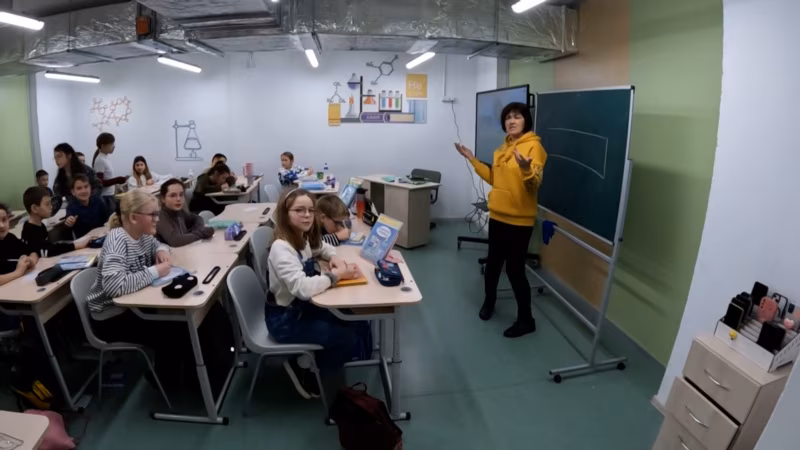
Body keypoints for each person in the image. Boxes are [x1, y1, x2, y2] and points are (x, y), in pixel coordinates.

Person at [454, 102, 547, 338]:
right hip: (498, 215)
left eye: (517, 117)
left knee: (515, 270)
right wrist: (472, 159)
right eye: (507, 118)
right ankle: (489, 302)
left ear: (526, 120)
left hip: (519, 220)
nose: (511, 121)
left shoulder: (534, 147)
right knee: (493, 264)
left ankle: (526, 320)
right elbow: (495, 179)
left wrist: (526, 169)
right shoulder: (501, 150)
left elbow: (534, 184)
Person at [267, 189, 368, 399]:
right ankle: (316, 379)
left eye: (310, 210)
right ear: (285, 214)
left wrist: (335, 258)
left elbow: (320, 247)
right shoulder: (281, 248)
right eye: (299, 210)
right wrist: (335, 276)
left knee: (350, 319)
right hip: (284, 321)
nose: (307, 215)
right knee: (343, 336)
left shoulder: (299, 237)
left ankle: (314, 363)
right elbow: (302, 288)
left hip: (301, 309)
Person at [85, 189, 189, 387]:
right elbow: (115, 286)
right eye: (153, 214)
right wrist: (155, 271)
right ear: (133, 217)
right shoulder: (117, 240)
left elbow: (159, 244)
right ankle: (165, 382)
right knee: (174, 331)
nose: (157, 219)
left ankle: (177, 375)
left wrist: (162, 251)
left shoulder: (142, 235)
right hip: (110, 317)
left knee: (179, 321)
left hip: (131, 307)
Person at [22, 186, 90, 257]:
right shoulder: (29, 231)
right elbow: (47, 251)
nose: (51, 207)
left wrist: (74, 245)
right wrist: (75, 246)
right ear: (34, 208)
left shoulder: (40, 225)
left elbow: (49, 246)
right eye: (47, 204)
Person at [156, 178, 214, 247]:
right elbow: (175, 241)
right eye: (173, 195)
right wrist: (201, 233)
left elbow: (198, 218)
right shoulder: (160, 217)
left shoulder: (180, 212)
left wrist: (196, 232)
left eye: (181, 195)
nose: (178, 199)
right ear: (163, 199)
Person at [52, 143, 102, 215]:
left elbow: (98, 186)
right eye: (55, 157)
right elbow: (57, 197)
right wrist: (48, 210)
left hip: (92, 208)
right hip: (74, 211)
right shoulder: (60, 178)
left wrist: (88, 201)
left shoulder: (85, 170)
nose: (57, 160)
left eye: (59, 156)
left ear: (69, 155)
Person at [0, 203, 39, 286]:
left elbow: (32, 252)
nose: (1, 225)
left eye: (4, 220)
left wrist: (31, 261)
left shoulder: (10, 238)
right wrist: (18, 272)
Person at [65, 175, 110, 239]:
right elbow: (68, 223)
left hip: (102, 237)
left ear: (90, 188)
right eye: (79, 188)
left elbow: (108, 220)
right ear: (73, 192)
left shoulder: (98, 201)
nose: (83, 191)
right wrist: (69, 222)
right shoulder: (71, 207)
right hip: (86, 241)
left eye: (86, 187)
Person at [92, 133, 128, 211]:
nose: (114, 147)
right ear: (103, 145)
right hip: (105, 197)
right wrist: (118, 180)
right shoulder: (100, 160)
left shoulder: (105, 158)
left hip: (109, 195)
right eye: (111, 144)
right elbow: (100, 183)